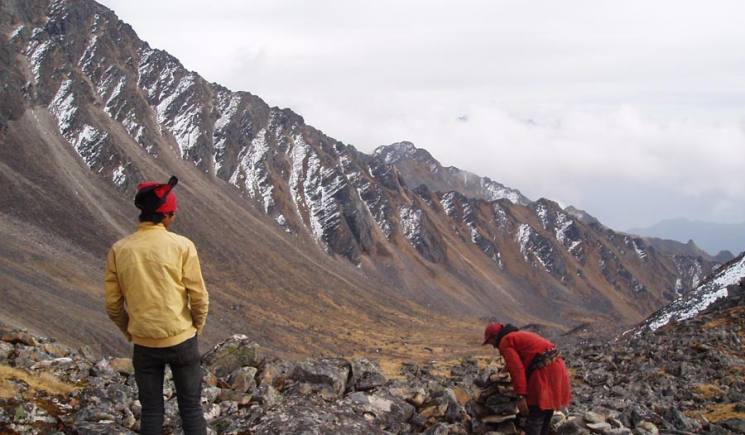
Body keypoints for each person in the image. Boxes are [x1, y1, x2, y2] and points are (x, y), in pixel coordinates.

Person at [105, 176, 209, 435]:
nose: (173, 217)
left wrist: (130, 330)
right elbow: (198, 296)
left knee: (151, 410)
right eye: (172, 213)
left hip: (144, 343)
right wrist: (196, 326)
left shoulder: (120, 250)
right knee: (191, 409)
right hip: (182, 338)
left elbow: (113, 303)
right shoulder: (182, 246)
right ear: (165, 215)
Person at [482, 322, 571, 435]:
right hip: (556, 368)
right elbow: (516, 360)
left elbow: (517, 369)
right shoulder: (516, 335)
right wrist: (504, 371)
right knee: (546, 413)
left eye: (491, 342)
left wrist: (520, 396)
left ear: (495, 337)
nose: (493, 346)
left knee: (536, 413)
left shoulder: (506, 341)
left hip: (544, 372)